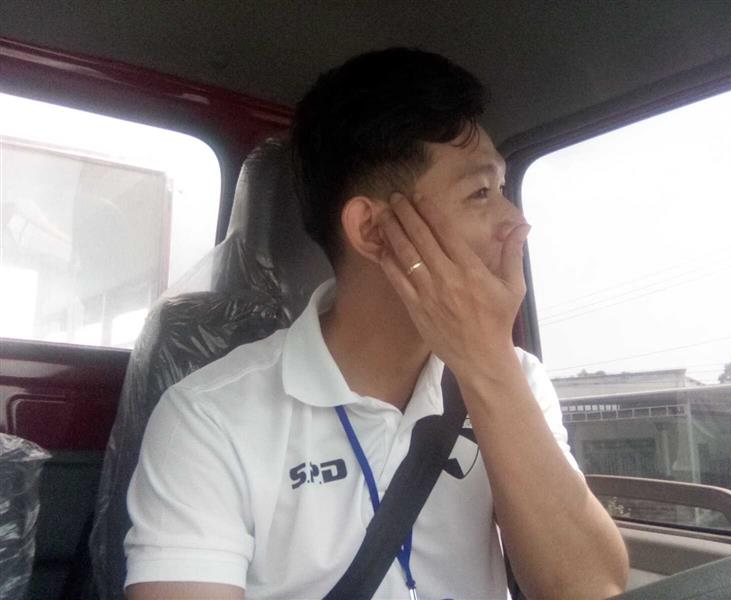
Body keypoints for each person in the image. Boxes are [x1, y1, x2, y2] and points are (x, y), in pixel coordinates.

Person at [124, 48, 629, 600]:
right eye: (481, 193)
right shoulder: (209, 416)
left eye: (504, 190)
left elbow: (590, 589)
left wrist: (488, 365)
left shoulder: (518, 379)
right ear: (371, 229)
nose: (516, 223)